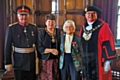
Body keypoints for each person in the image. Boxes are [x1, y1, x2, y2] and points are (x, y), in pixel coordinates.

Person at [79, 6, 117, 80]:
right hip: (86, 63)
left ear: (97, 15)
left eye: (93, 13)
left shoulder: (104, 27)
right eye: (88, 13)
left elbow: (109, 45)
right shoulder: (83, 28)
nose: (90, 15)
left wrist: (107, 63)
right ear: (85, 15)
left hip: (99, 62)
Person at [4, 5, 38, 80]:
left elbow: (38, 45)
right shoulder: (12, 28)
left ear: (28, 15)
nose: (24, 17)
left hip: (31, 61)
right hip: (19, 62)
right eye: (21, 15)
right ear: (17, 16)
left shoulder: (34, 28)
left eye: (26, 15)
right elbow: (7, 47)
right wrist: (8, 62)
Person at [36, 14, 61, 80]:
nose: (51, 23)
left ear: (55, 22)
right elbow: (39, 48)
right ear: (46, 23)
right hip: (45, 60)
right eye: (49, 21)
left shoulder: (58, 32)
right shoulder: (41, 33)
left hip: (56, 60)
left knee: (56, 77)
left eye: (52, 21)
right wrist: (52, 50)